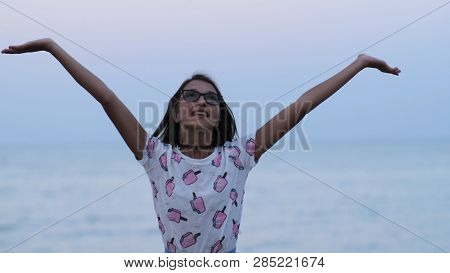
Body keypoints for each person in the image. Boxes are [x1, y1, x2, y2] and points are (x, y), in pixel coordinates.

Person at [1, 38, 401, 253]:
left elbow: (302, 106)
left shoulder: (239, 156)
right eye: (190, 97)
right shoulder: (156, 157)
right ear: (175, 112)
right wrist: (52, 48)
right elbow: (106, 97)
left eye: (210, 99)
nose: (201, 103)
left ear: (219, 114)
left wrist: (360, 63)